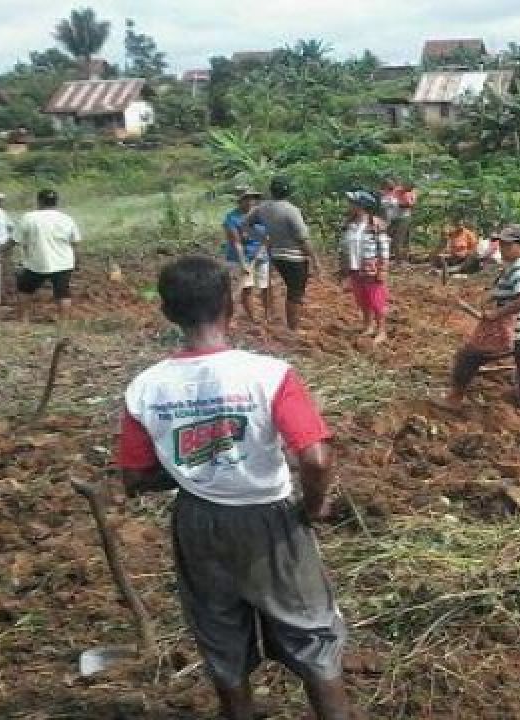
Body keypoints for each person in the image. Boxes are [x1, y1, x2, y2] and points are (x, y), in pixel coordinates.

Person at [116, 255, 352, 720]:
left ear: (167, 313)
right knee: (313, 637)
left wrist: (194, 468)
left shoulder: (144, 389)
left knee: (220, 637)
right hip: (269, 518)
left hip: (198, 522)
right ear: (231, 306)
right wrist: (313, 506)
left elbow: (136, 478)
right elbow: (317, 457)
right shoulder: (268, 374)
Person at [438, 224, 520, 443]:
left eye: (509, 244)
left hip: (515, 331)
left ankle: (454, 399)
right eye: (503, 243)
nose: (504, 248)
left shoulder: (519, 267)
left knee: (468, 356)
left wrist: (497, 313)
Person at [249, 175, 320, 332]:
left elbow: (246, 224)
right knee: (295, 293)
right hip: (295, 257)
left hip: (276, 255)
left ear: (272, 191)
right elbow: (303, 238)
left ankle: (290, 324)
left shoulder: (262, 208)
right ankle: (293, 328)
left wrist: (263, 238)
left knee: (292, 290)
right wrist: (315, 259)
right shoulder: (292, 210)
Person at [14, 188, 81, 324]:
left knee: (24, 290)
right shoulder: (67, 218)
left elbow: (15, 239)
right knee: (63, 293)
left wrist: (1, 250)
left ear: (39, 201)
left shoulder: (29, 217)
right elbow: (76, 242)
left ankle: (23, 321)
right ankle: (63, 324)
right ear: (56, 202)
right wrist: (77, 261)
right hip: (63, 262)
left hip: (37, 262)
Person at [339, 191, 391, 345]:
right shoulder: (349, 224)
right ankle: (368, 325)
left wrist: (383, 269)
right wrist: (342, 266)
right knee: (361, 299)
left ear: (361, 206)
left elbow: (384, 248)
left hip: (370, 268)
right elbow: (342, 247)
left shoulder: (375, 224)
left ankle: (381, 331)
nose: (350, 206)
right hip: (354, 267)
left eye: (353, 203)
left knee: (376, 300)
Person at [223, 185, 270, 324]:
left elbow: (267, 235)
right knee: (246, 287)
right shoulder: (232, 218)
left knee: (265, 286)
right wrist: (244, 263)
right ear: (239, 201)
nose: (250, 201)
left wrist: (262, 249)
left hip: (261, 255)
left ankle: (267, 316)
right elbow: (236, 243)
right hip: (238, 258)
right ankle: (253, 318)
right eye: (246, 199)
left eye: (252, 198)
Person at [380, 175, 416, 263]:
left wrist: (397, 204)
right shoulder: (395, 190)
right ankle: (389, 257)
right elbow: (385, 199)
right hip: (393, 219)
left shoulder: (410, 193)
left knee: (398, 240)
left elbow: (409, 205)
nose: (406, 190)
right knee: (386, 237)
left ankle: (399, 261)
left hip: (403, 218)